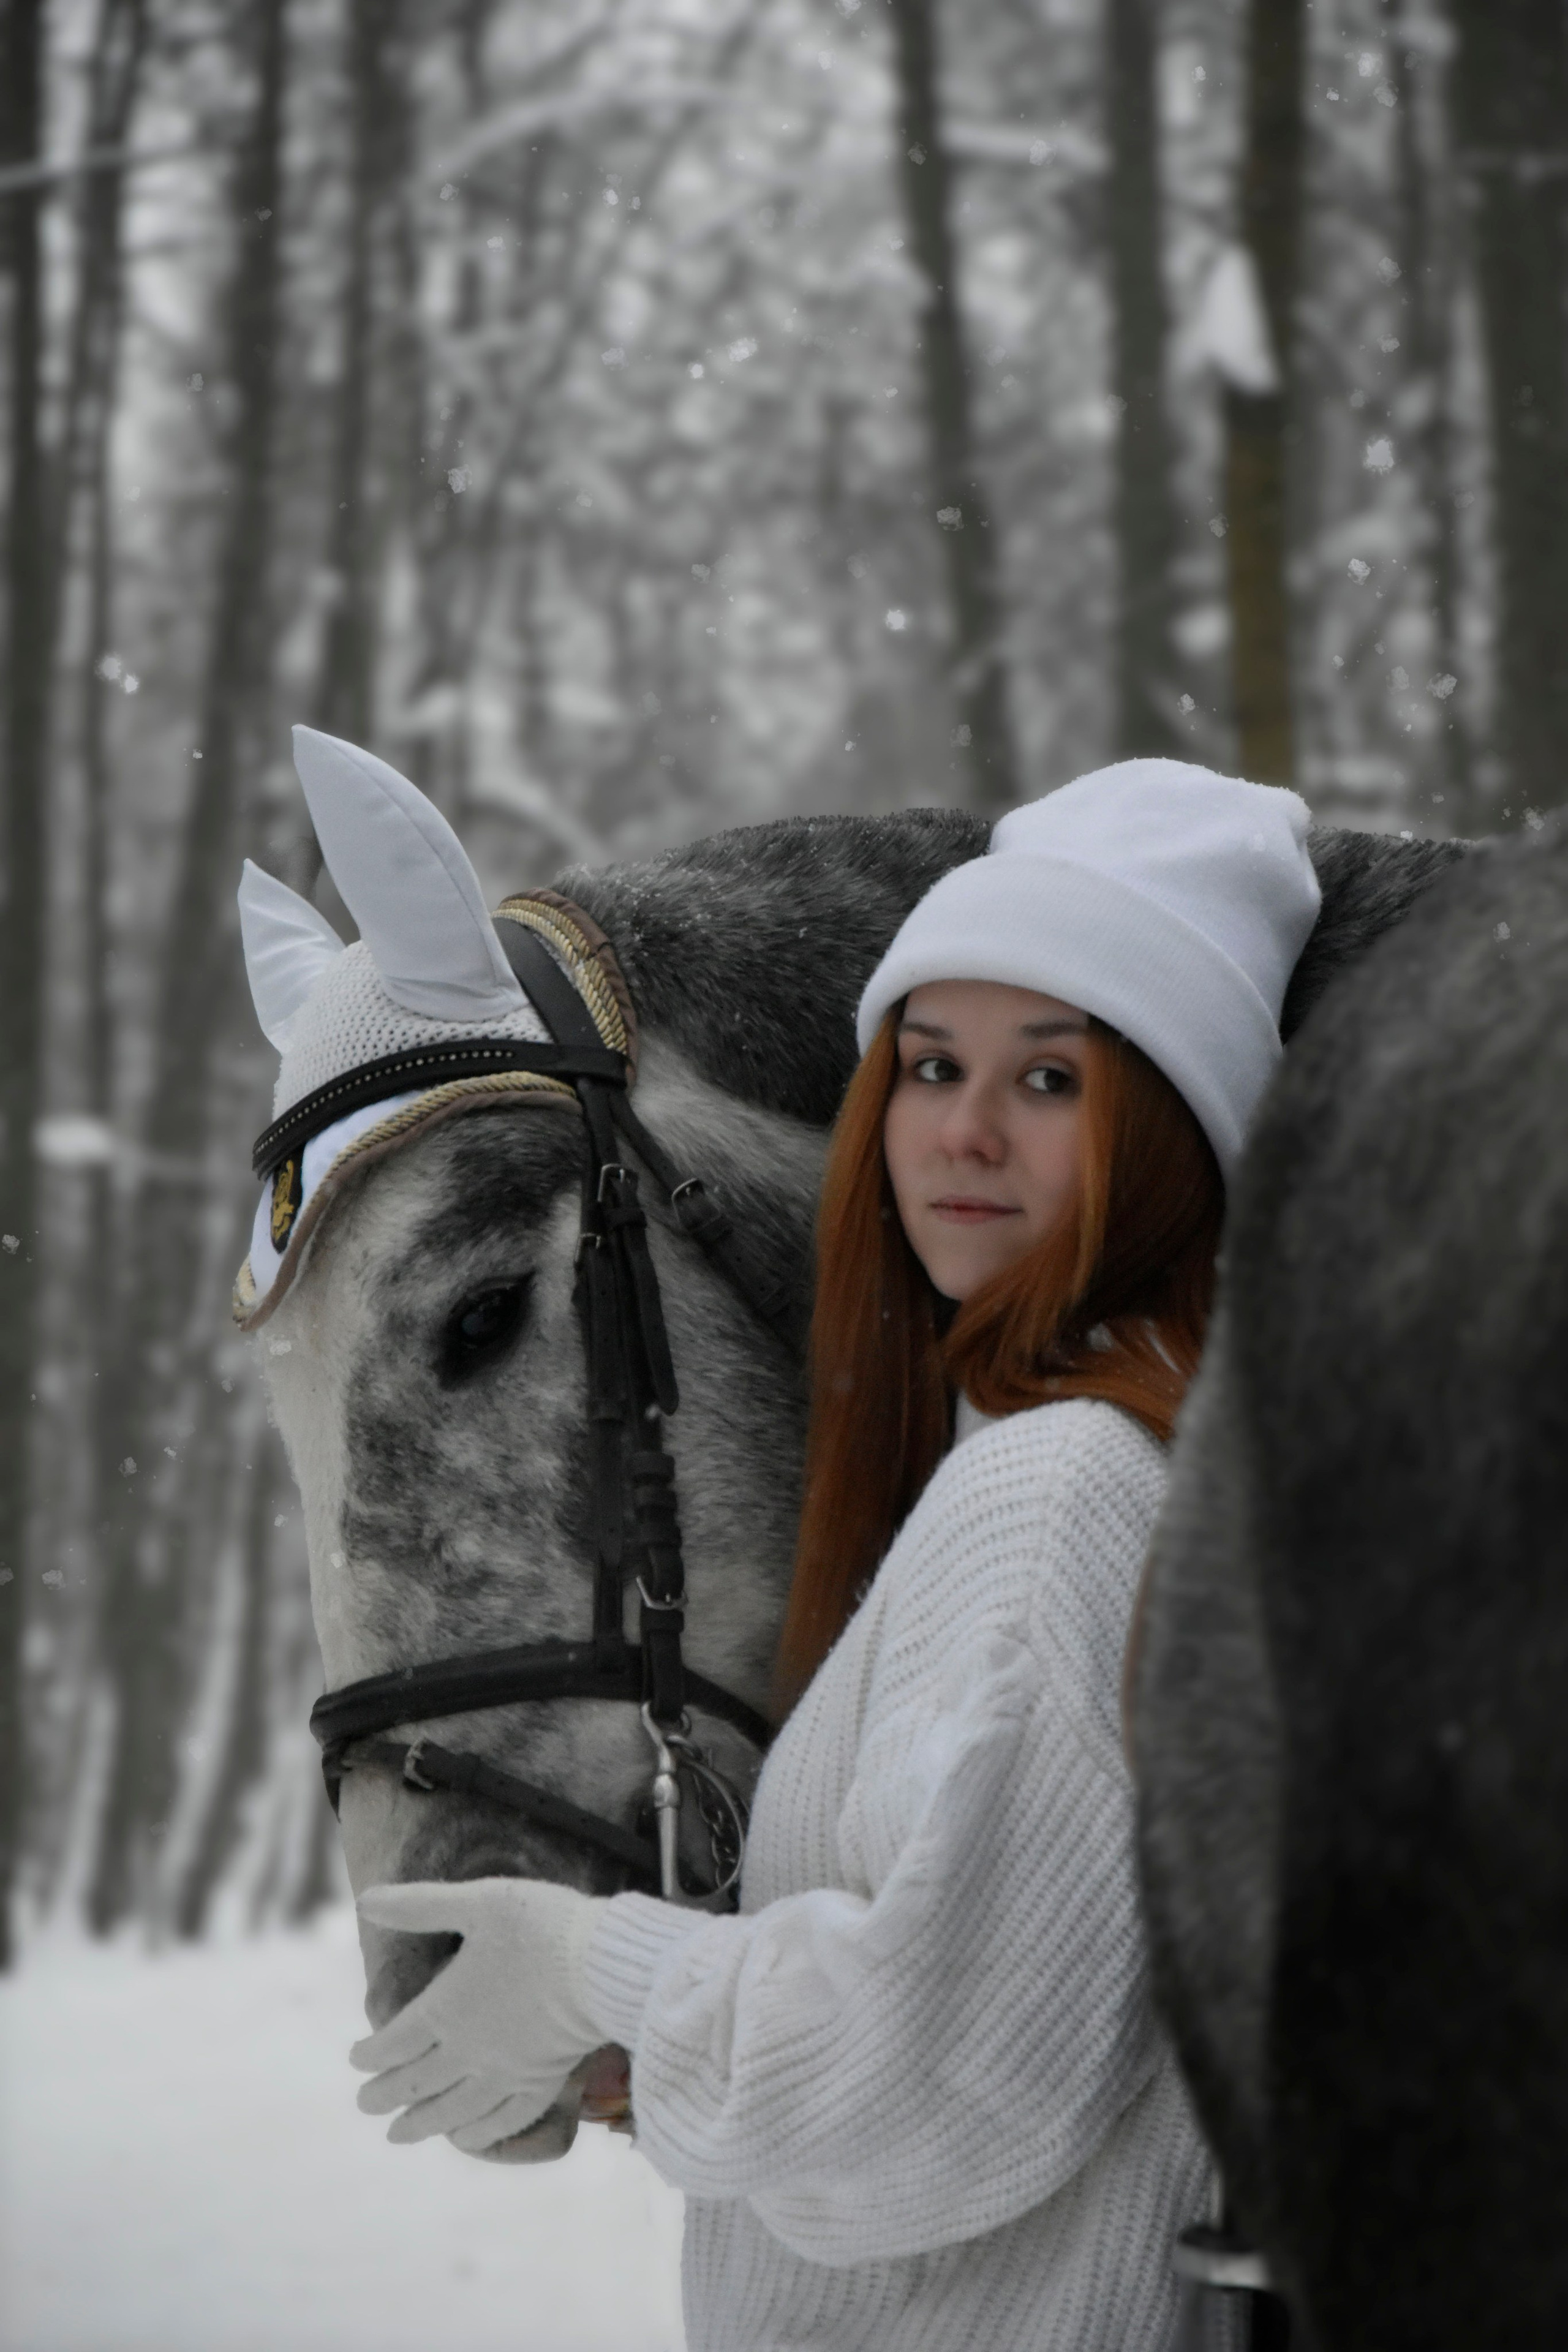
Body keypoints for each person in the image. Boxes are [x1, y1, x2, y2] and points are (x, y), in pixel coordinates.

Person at [350, 758, 1322, 2351]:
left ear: (1166, 1131)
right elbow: (980, 2029)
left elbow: (943, 2094)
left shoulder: (1057, 1489)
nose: (968, 1131)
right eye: (931, 1066)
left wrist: (606, 1967)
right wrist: (664, 2063)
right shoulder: (1067, 1473)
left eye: (1055, 1081)